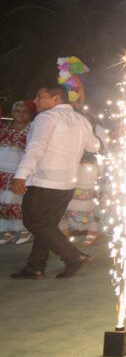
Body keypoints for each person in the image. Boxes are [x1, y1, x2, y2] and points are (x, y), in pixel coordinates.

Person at [9, 85, 100, 279]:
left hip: (44, 181)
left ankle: (73, 255)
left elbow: (35, 148)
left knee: (34, 221)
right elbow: (94, 146)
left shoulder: (46, 118)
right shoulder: (80, 119)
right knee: (47, 224)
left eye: (40, 97)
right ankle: (35, 266)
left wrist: (21, 174)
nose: (35, 101)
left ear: (56, 98)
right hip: (67, 181)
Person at [0, 101, 34, 245]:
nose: (20, 114)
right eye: (17, 111)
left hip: (18, 171)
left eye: (24, 111)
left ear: (30, 113)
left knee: (18, 202)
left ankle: (25, 230)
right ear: (12, 113)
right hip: (3, 171)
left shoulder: (32, 129)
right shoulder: (5, 128)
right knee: (3, 202)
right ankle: (6, 232)